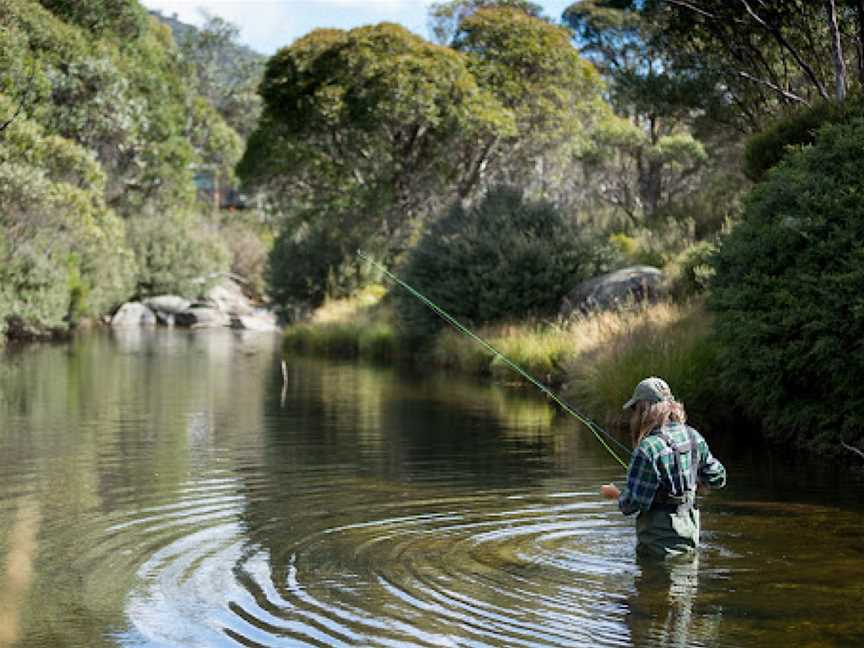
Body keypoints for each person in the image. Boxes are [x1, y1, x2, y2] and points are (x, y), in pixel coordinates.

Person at [600, 377, 726, 557]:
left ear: (643, 409)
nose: (633, 416)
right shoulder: (693, 436)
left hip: (657, 548)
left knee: (652, 584)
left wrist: (615, 494)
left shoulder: (648, 448)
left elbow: (631, 505)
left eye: (635, 410)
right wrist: (695, 482)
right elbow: (718, 477)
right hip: (691, 539)